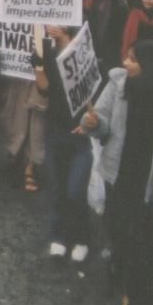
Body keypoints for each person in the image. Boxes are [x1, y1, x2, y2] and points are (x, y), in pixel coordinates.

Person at [79, 39, 153, 305]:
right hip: (117, 176)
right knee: (117, 230)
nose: (126, 63)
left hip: (149, 184)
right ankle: (119, 267)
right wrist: (93, 123)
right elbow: (103, 123)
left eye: (133, 60)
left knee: (142, 242)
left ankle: (141, 300)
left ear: (148, 65)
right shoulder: (118, 85)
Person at [32, 26, 93, 263]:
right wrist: (38, 65)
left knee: (75, 190)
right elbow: (44, 89)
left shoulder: (80, 47)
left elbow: (88, 86)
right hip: (55, 128)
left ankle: (82, 238)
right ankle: (58, 236)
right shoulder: (45, 50)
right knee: (57, 187)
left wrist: (89, 121)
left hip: (78, 133)